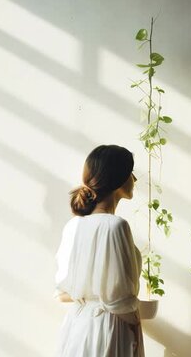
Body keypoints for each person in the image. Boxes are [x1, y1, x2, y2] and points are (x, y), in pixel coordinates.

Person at [55, 145, 144, 357]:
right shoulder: (116, 226)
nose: (134, 179)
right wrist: (134, 327)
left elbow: (62, 292)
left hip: (78, 327)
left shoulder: (73, 226)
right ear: (119, 178)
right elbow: (121, 299)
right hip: (111, 329)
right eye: (131, 173)